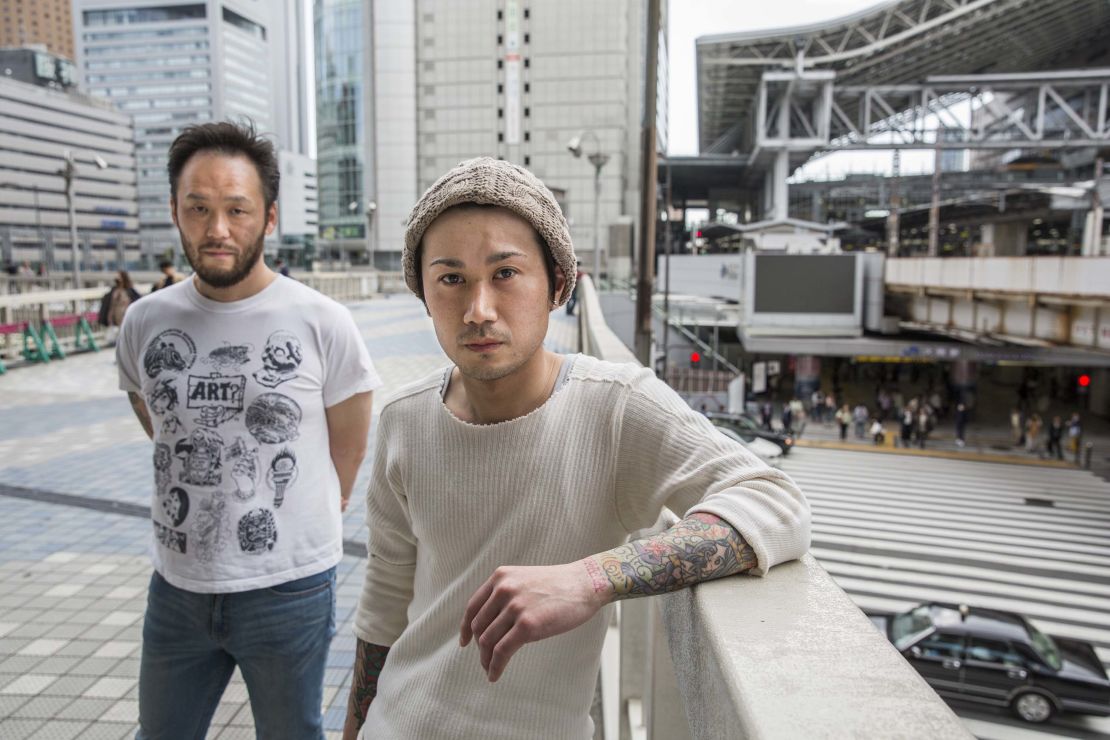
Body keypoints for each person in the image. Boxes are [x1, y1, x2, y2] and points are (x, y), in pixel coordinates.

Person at [342, 157, 810, 740]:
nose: (479, 310)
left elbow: (775, 501)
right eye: (451, 278)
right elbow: (385, 602)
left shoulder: (613, 405)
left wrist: (590, 580)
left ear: (559, 285)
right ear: (424, 294)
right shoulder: (402, 419)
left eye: (506, 274)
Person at [116, 120, 381, 739]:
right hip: (176, 587)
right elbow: (151, 410)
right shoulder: (145, 320)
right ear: (175, 213)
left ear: (268, 217)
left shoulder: (322, 321)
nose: (217, 230)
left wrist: (315, 498)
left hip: (286, 587)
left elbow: (350, 439)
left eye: (237, 209)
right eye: (199, 208)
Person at [98, 270, 141, 344]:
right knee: (118, 335)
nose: (117, 277)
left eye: (119, 276)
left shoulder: (129, 289)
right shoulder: (114, 290)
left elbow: (136, 299)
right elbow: (110, 303)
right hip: (115, 315)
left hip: (126, 314)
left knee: (127, 334)